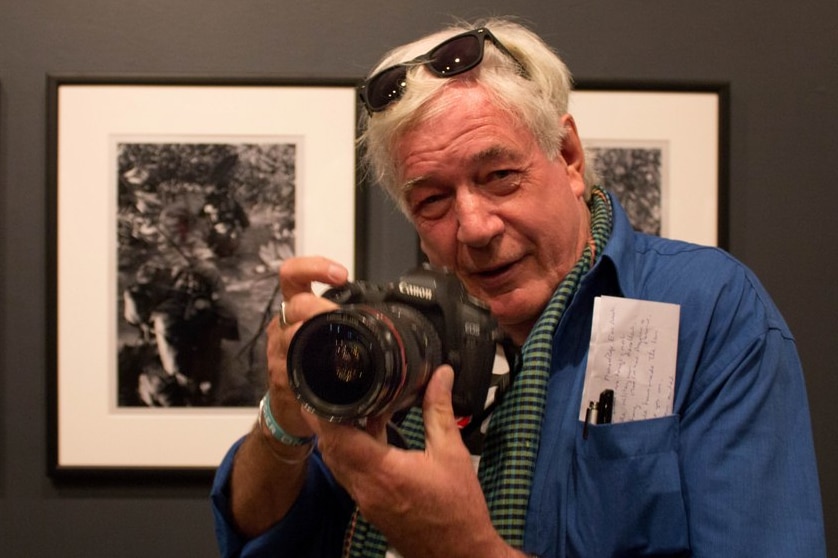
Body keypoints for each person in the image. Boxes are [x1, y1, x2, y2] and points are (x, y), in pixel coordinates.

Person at [211, 18, 826, 557]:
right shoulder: (398, 343)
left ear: (568, 156)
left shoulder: (701, 308)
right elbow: (260, 532)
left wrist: (465, 552)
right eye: (432, 201)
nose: (474, 228)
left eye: (500, 176)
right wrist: (286, 418)